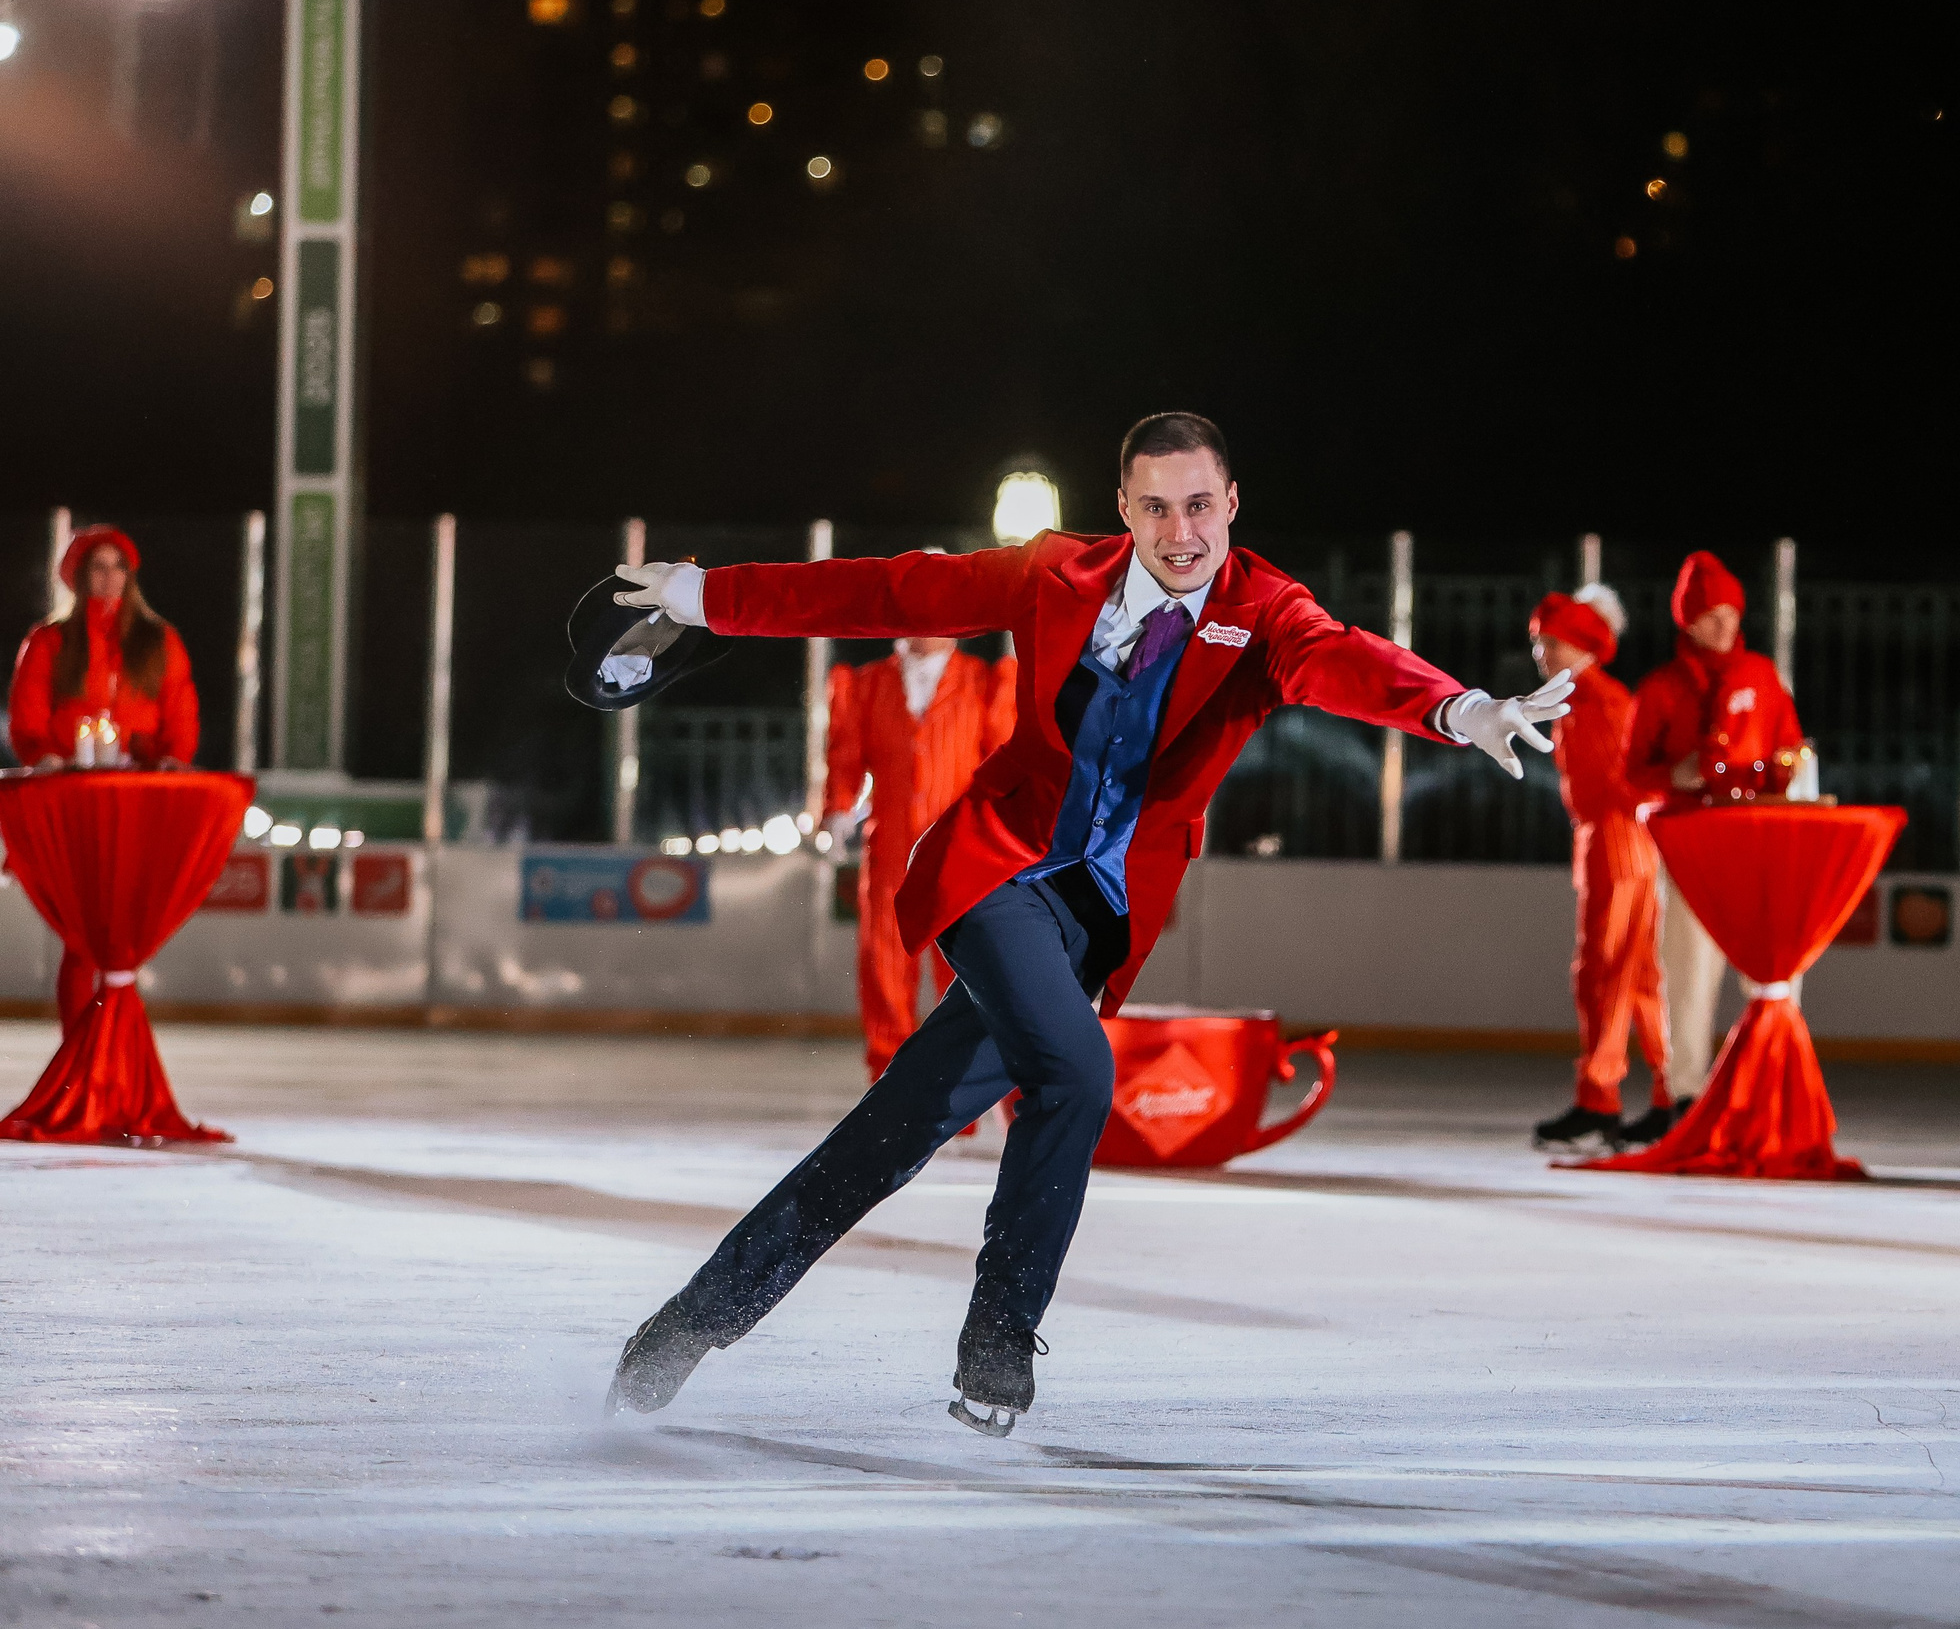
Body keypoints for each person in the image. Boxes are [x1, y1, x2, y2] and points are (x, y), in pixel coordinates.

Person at [604, 412, 1574, 1435]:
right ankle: (998, 1337)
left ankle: (682, 1327)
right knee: (1074, 1072)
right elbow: (892, 588)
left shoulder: (1264, 611)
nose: (1180, 530)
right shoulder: (1052, 574)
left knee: (887, 1137)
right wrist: (709, 596)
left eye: (1199, 504)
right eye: (1155, 505)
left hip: (1091, 917)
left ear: (1231, 503)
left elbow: (1342, 660)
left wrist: (1458, 708)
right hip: (994, 872)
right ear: (1122, 508)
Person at [1627, 550, 1807, 1111]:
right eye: (1709, 612)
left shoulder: (1761, 676)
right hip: (1693, 845)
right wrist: (1672, 775)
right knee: (1687, 970)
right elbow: (1631, 773)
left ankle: (1768, 1082)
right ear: (1686, 619)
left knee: (1773, 967)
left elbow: (1790, 746)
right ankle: (1685, 1094)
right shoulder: (1662, 688)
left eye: (1730, 609)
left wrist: (1791, 768)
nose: (1723, 622)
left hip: (1757, 840)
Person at [7, 525, 200, 1033]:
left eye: (119, 566)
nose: (109, 577)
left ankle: (114, 1058)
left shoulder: (159, 642)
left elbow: (178, 719)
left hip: (135, 802)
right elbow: (27, 723)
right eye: (98, 566)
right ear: (78, 575)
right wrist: (46, 756)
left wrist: (172, 758)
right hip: (74, 803)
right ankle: (81, 1060)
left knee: (119, 937)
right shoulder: (49, 642)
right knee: (81, 935)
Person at [825, 625, 1018, 1078]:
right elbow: (845, 753)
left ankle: (959, 1090)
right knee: (884, 964)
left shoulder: (984, 681)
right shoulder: (867, 682)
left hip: (960, 846)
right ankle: (889, 1085)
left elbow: (1003, 754)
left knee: (966, 970)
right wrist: (837, 808)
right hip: (890, 845)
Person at [1526, 585, 1675, 1152]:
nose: (1543, 654)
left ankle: (1600, 1100)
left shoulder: (1602, 702)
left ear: (1584, 645)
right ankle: (1671, 1094)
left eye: (1553, 643)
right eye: (1540, 643)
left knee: (1604, 973)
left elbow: (1628, 782)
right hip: (1615, 841)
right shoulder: (1581, 700)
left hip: (1616, 841)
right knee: (1636, 979)